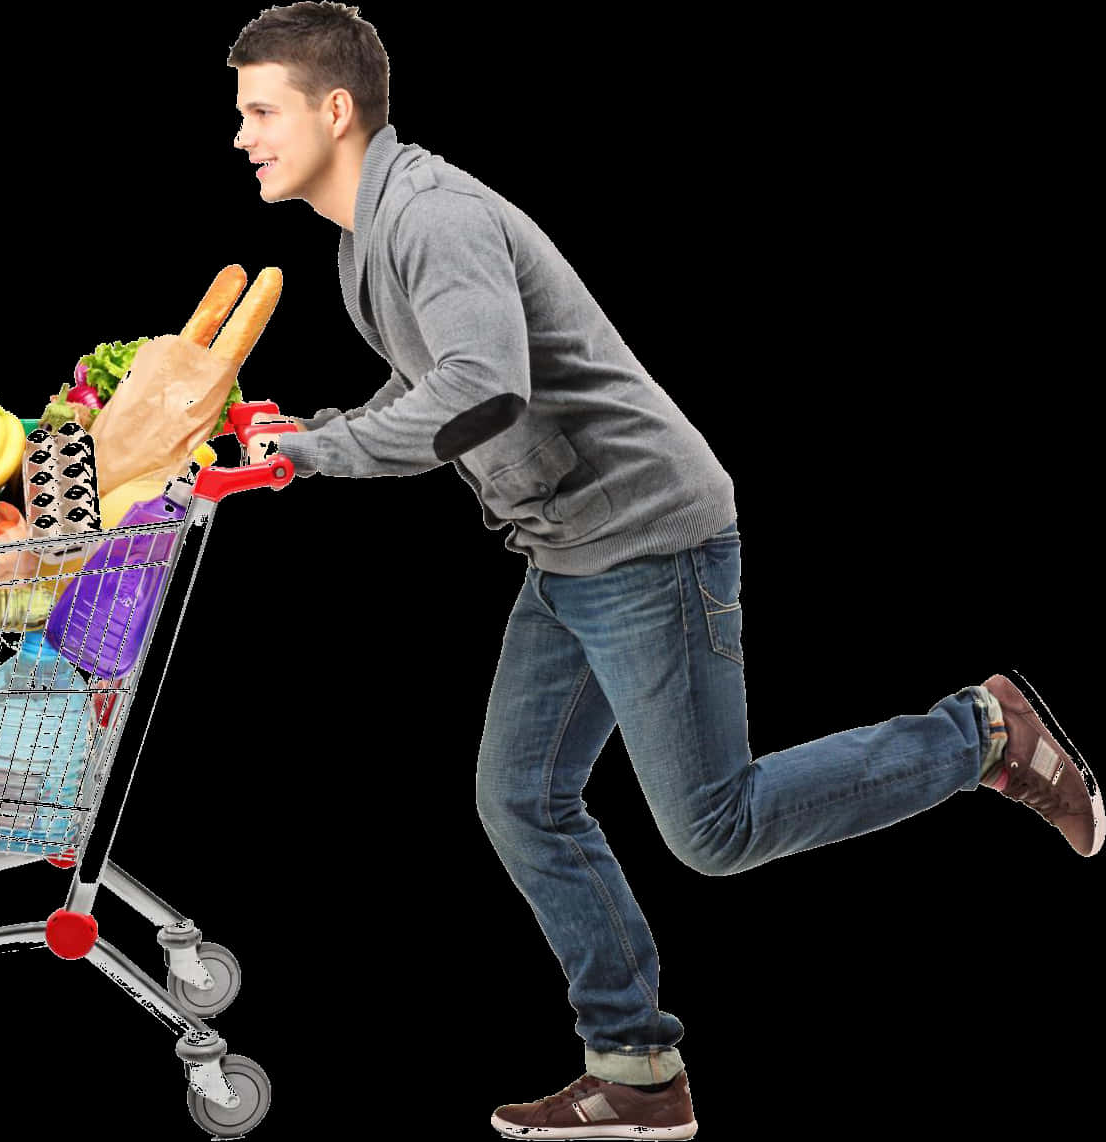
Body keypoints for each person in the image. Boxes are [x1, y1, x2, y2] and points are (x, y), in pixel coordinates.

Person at [226, 4, 1102, 1138]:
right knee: (520, 797)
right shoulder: (365, 243)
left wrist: (313, 454)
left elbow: (480, 390)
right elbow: (434, 382)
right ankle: (637, 1068)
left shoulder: (430, 219)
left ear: (334, 110)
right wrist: (320, 426)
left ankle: (980, 732)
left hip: (645, 537)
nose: (243, 134)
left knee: (714, 827)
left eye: (260, 110)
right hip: (568, 546)